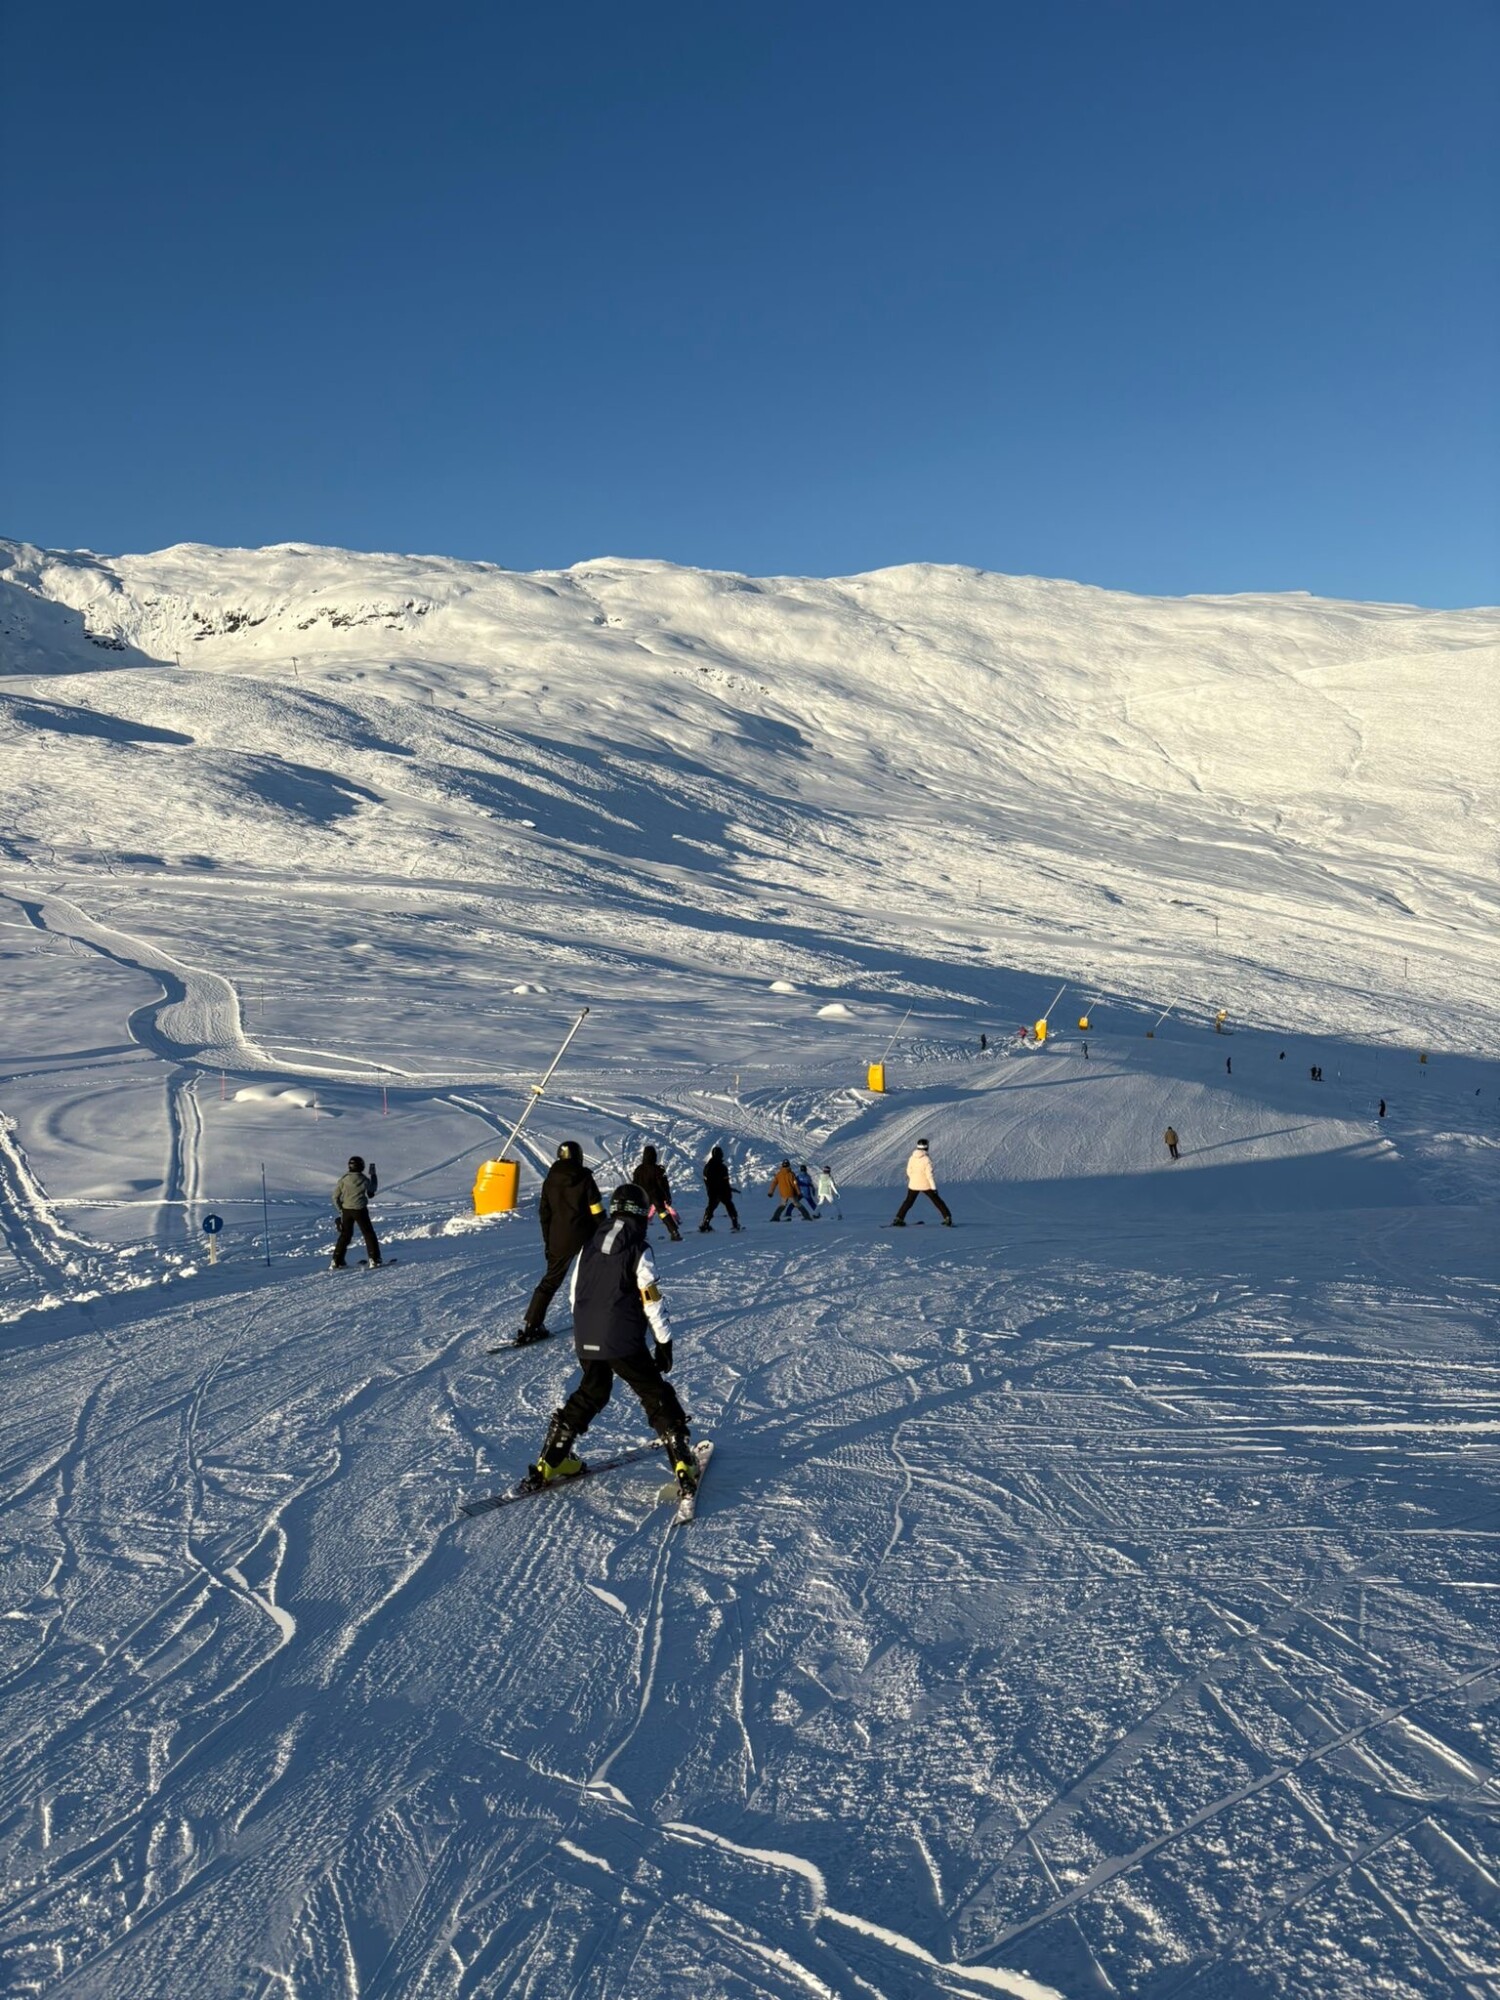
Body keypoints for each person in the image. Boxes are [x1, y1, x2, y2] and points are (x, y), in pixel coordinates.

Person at [524, 1184, 697, 1497]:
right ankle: (682, 1460)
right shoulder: (638, 1247)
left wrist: (589, 1329)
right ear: (641, 1213)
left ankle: (551, 1460)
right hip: (622, 1338)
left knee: (593, 1390)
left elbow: (574, 1294)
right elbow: (651, 1298)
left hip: (586, 1333)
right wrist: (663, 1341)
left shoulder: (588, 1244)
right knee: (653, 1391)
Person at [517, 1140, 603, 1344]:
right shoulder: (584, 1177)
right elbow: (596, 1209)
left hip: (558, 1239)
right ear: (578, 1156)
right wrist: (606, 1231)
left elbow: (545, 1214)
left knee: (550, 1281)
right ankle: (600, 1317)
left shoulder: (550, 1180)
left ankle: (532, 1324)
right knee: (596, 1277)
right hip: (586, 1237)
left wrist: (548, 1242)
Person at [330, 1154, 381, 1267]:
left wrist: (341, 1210)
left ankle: (336, 1260)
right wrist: (373, 1175)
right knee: (368, 1234)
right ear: (361, 1166)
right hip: (360, 1210)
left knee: (345, 1235)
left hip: (346, 1211)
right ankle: (374, 1259)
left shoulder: (343, 1180)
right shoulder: (363, 1179)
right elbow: (372, 1189)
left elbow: (335, 1197)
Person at [891, 1139, 952, 1225]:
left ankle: (898, 1218)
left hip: (913, 1184)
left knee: (908, 1202)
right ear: (926, 1147)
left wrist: (914, 1178)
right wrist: (934, 1188)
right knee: (937, 1201)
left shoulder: (912, 1157)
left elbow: (908, 1171)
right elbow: (929, 1175)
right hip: (926, 1185)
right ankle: (947, 1218)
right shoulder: (926, 1159)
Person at [633, 1143, 682, 1242]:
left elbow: (634, 1184)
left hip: (643, 1197)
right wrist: (667, 1196)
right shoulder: (658, 1169)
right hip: (656, 1196)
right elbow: (663, 1184)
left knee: (641, 1216)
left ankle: (638, 1235)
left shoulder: (638, 1169)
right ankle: (674, 1232)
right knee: (663, 1213)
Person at [699, 1145, 742, 1232]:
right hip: (722, 1191)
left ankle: (705, 1224)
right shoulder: (722, 1167)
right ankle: (735, 1224)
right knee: (730, 1206)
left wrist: (710, 1190)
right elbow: (725, 1181)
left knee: (711, 1208)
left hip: (712, 1191)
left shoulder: (707, 1167)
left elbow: (706, 1180)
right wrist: (728, 1191)